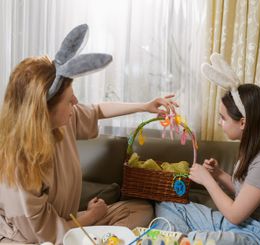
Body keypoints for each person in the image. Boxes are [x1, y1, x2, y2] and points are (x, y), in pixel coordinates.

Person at [0, 24, 177, 244]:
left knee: (139, 210)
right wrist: (92, 216)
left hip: (68, 222)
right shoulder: (20, 165)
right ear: (43, 112)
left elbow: (97, 110)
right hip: (30, 239)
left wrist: (144, 106)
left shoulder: (63, 120)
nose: (75, 102)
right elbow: (44, 234)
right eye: (69, 99)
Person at [155, 54, 260, 245]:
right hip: (242, 224)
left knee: (195, 240)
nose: (219, 123)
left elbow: (235, 214)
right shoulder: (250, 148)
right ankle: (179, 239)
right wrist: (219, 174)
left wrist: (208, 180)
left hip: (258, 234)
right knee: (169, 206)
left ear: (243, 122)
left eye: (223, 118)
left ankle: (181, 239)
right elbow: (244, 192)